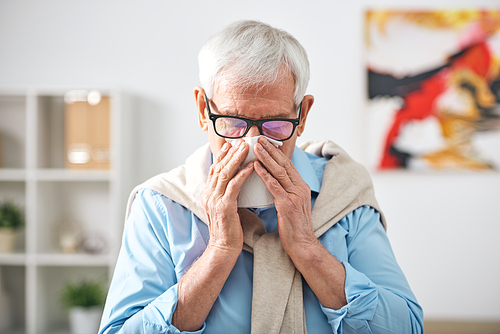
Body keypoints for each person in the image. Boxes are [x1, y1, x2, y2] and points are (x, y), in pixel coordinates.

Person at [99, 20, 423, 334]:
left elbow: (407, 327)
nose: (252, 144)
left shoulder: (343, 192)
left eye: (276, 124)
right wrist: (219, 252)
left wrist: (308, 249)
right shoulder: (161, 205)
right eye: (232, 121)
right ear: (203, 110)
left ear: (303, 115)